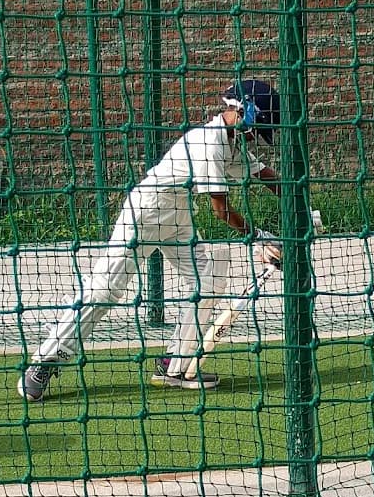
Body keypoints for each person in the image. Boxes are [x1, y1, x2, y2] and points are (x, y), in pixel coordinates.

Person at [18, 78, 295, 402]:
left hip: (177, 215)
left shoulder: (231, 142)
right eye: (257, 125)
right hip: (147, 211)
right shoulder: (210, 142)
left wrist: (301, 206)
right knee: (105, 289)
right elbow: (221, 211)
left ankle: (175, 365)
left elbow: (267, 176)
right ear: (246, 111)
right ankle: (45, 360)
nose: (256, 135)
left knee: (209, 276)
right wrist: (260, 238)